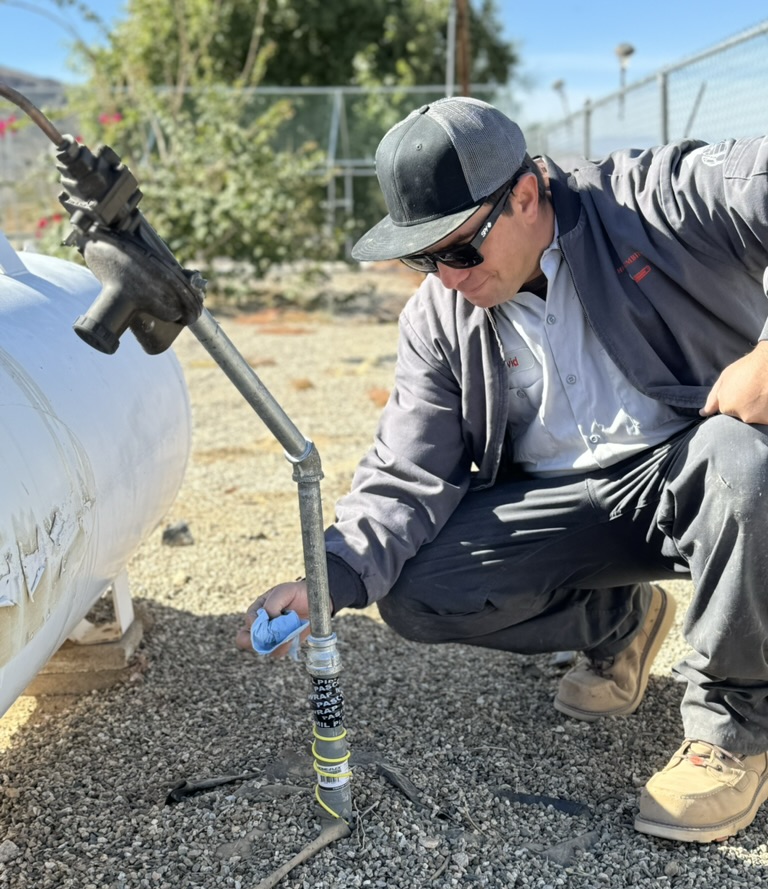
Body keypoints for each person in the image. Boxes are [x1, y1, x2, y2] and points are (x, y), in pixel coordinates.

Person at [237, 96, 768, 844]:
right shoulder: (436, 317)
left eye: (458, 250)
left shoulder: (655, 201)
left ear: (524, 195)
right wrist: (330, 574)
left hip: (706, 479)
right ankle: (624, 622)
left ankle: (735, 729)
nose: (445, 277)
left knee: (744, 456)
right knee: (420, 592)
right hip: (572, 509)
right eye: (422, 257)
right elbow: (405, 470)